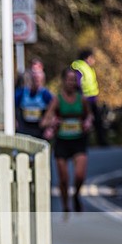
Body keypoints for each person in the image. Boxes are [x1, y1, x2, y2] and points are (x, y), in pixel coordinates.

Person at [41, 67, 93, 214]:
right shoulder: (57, 100)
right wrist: (53, 122)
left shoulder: (81, 99)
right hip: (62, 141)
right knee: (63, 179)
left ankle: (76, 195)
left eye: (74, 80)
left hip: (78, 141)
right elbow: (45, 121)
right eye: (68, 80)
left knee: (79, 175)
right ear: (63, 81)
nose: (71, 83)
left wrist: (88, 121)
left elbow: (89, 116)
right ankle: (65, 206)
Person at [71, 49, 107, 146]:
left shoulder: (87, 68)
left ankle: (100, 142)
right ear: (87, 58)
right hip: (85, 100)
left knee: (96, 121)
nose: (93, 60)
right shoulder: (80, 67)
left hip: (91, 99)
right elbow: (78, 83)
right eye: (92, 58)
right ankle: (86, 143)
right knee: (87, 121)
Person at [15, 62, 54, 139]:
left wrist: (50, 128)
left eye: (38, 76)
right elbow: (10, 108)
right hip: (24, 132)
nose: (36, 78)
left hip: (40, 133)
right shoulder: (21, 93)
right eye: (34, 77)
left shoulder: (46, 95)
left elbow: (55, 112)